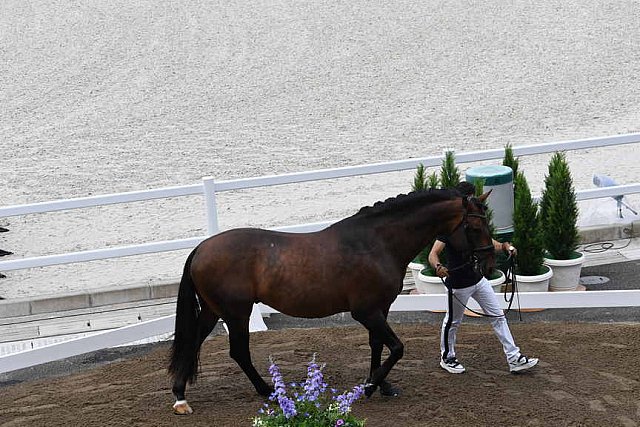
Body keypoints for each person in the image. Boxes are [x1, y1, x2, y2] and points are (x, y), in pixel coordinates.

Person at [429, 181, 539, 374]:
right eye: (471, 197)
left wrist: (505, 246)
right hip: (459, 283)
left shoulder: (473, 223)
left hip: (478, 280)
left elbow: (487, 241)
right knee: (453, 322)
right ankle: (447, 357)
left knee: (498, 316)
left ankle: (514, 358)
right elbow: (433, 254)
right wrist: (438, 266)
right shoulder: (449, 228)